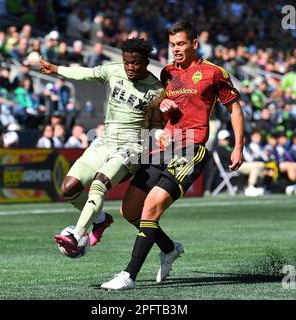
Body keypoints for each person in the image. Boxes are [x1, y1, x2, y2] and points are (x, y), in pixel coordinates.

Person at [100, 21, 244, 290]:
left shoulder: (214, 73)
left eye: (181, 44)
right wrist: (160, 103)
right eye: (172, 45)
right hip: (163, 148)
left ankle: (129, 275)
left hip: (191, 149)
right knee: (129, 210)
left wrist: (238, 147)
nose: (176, 49)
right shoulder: (166, 73)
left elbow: (234, 110)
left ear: (194, 44)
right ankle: (168, 248)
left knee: (150, 208)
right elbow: (156, 108)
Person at [39, 38, 165, 253]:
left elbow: (156, 124)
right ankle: (101, 219)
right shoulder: (113, 71)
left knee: (100, 183)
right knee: (69, 188)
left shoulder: (156, 90)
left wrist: (161, 135)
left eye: (136, 63)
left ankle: (77, 234)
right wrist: (57, 69)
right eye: (127, 62)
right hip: (105, 141)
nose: (130, 67)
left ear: (146, 62)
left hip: (132, 147)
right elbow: (86, 73)